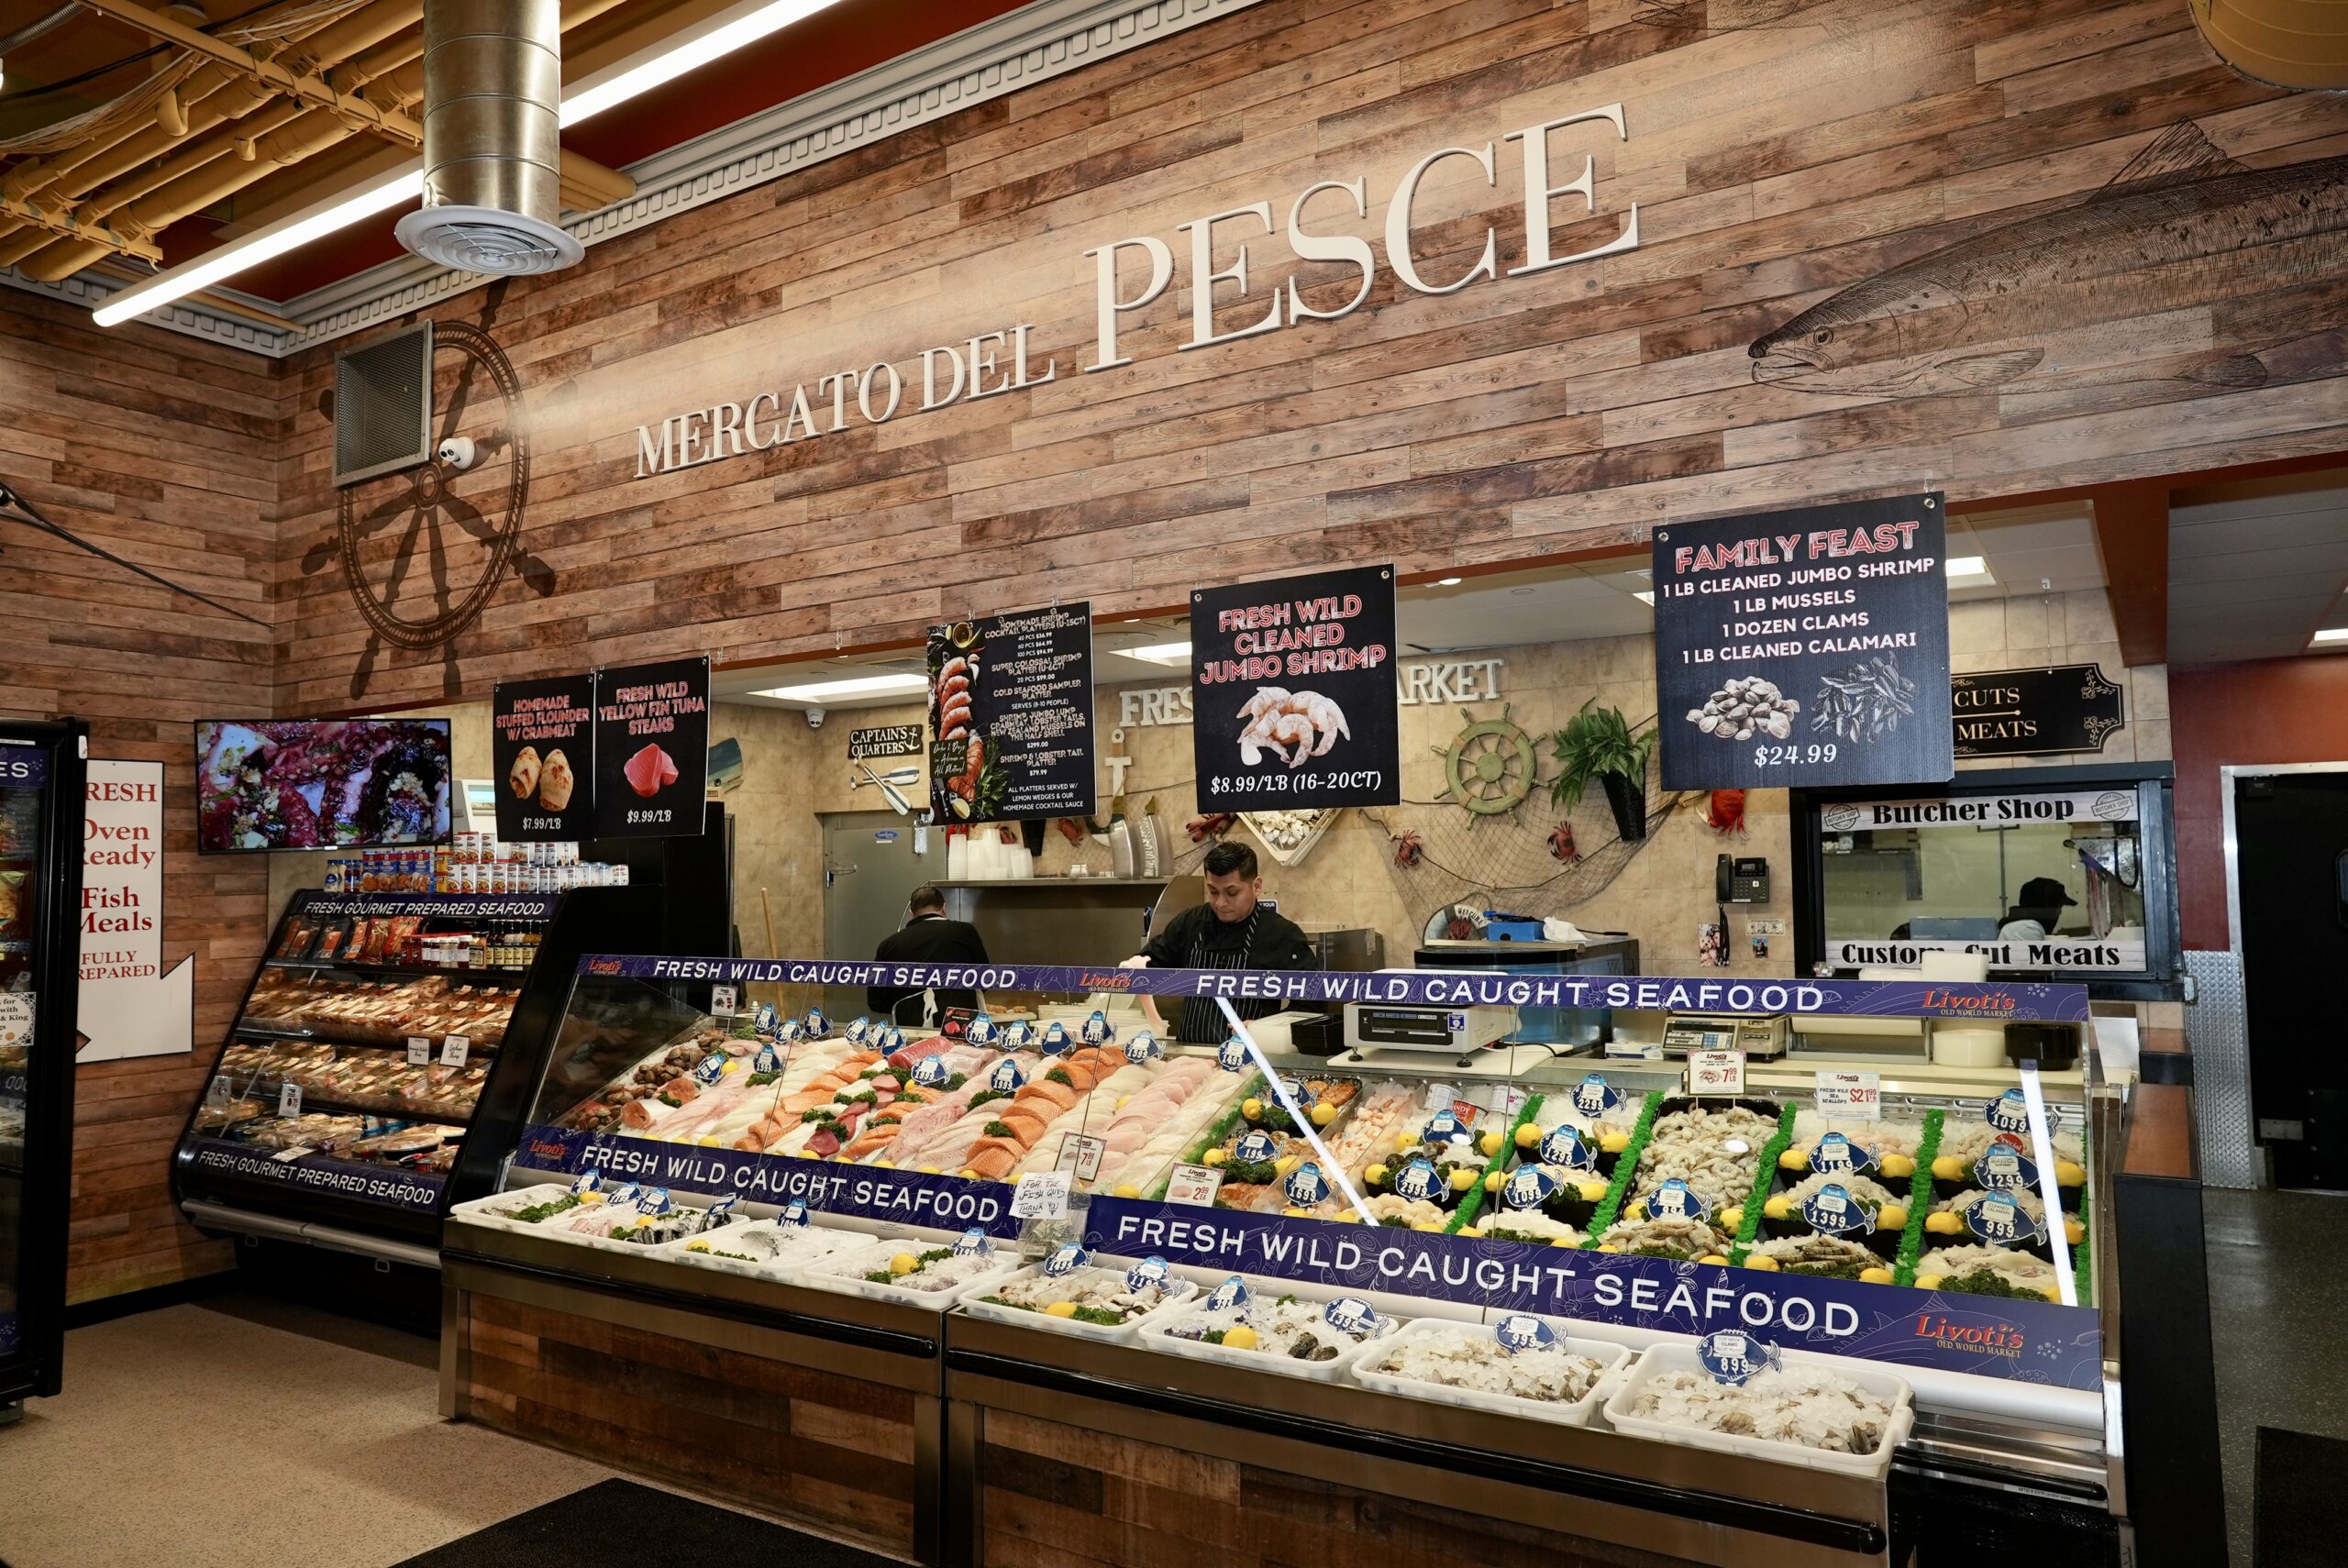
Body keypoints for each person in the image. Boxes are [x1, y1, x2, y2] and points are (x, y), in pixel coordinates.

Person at [1123, 841, 1319, 1043]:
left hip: (1251, 1053)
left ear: (1257, 886)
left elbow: (1311, 1004)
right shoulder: (1189, 923)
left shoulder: (1282, 934)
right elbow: (1148, 963)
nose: (1221, 902)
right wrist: (1131, 968)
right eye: (1213, 891)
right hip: (1191, 1052)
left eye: (1232, 893)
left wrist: (1265, 1027)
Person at [869, 885, 988, 1025]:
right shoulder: (965, 932)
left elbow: (876, 1002)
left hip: (910, 1027)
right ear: (944, 908)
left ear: (912, 913)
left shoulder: (889, 945)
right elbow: (985, 978)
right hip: (958, 1023)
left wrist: (909, 1005)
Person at [1998, 876, 2077, 941]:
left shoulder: (2023, 926)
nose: (2060, 912)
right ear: (2047, 909)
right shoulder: (2028, 928)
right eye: (2058, 907)